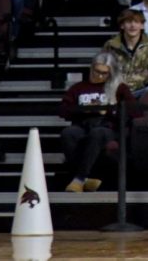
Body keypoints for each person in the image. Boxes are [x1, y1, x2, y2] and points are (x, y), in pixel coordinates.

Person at [59, 51, 135, 192]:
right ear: (91, 68)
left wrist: (110, 110)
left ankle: (79, 178)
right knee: (68, 133)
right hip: (83, 123)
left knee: (97, 133)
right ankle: (86, 179)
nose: (99, 76)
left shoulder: (120, 88)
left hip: (109, 126)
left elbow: (134, 111)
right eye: (96, 71)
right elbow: (63, 110)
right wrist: (84, 110)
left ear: (111, 73)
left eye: (104, 73)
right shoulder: (78, 88)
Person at [103, 9, 148, 95]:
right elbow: (101, 68)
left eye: (136, 22)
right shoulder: (111, 45)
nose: (133, 25)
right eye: (129, 22)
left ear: (142, 26)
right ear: (122, 25)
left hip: (142, 89)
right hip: (116, 90)